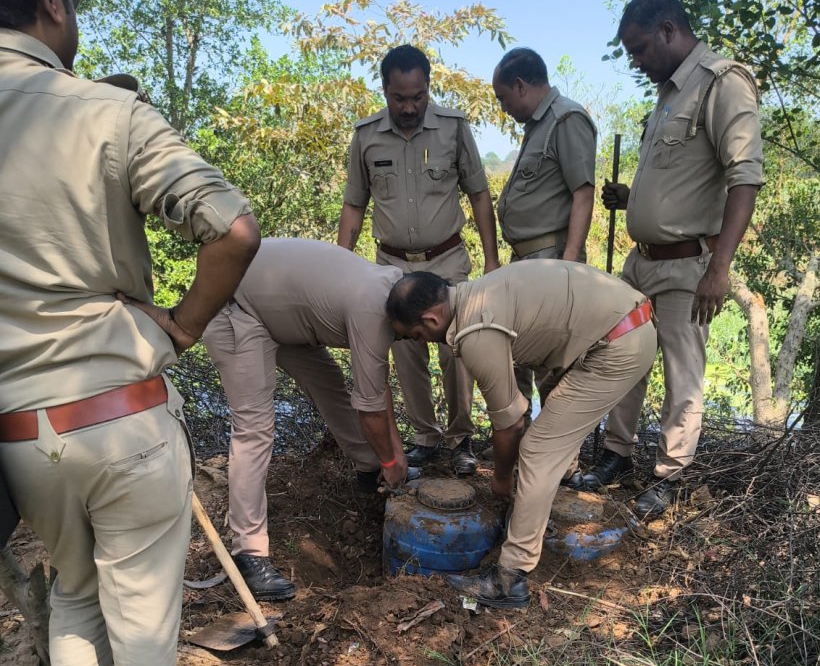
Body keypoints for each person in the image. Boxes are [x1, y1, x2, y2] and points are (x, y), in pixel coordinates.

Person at [0, 0, 260, 666]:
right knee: (142, 608)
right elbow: (233, 230)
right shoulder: (104, 110)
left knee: (73, 592)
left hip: (21, 434)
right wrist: (179, 332)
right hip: (119, 408)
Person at [576, 0, 763, 518]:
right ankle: (616, 454)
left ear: (667, 30)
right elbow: (682, 183)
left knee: (683, 373)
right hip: (643, 262)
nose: (635, 61)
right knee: (624, 358)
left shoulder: (722, 84)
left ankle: (670, 476)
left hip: (688, 265)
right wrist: (631, 201)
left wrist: (719, 268)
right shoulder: (666, 96)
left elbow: (744, 178)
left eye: (639, 49)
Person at [387, 262, 657, 608]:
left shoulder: (475, 333)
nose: (420, 343)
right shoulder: (474, 294)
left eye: (416, 337)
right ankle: (550, 496)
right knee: (552, 407)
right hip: (620, 323)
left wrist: (501, 478)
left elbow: (512, 421)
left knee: (539, 449)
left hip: (618, 343)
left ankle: (510, 578)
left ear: (430, 320)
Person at [202, 238, 417, 600]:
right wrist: (393, 460)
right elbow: (371, 407)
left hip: (279, 315)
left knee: (330, 384)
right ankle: (249, 552)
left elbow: (377, 389)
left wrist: (392, 458)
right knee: (254, 430)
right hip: (232, 308)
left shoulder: (395, 289)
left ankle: (369, 472)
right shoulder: (373, 313)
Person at [338, 44, 500, 477]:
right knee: (407, 353)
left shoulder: (453, 128)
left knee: (457, 348)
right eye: (399, 98)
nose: (409, 107)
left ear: (429, 88)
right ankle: (425, 438)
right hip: (392, 265)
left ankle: (461, 438)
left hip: (446, 259)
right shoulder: (366, 136)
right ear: (385, 90)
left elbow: (479, 194)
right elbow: (354, 204)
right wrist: (341, 265)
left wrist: (492, 259)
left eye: (418, 97)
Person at [492, 46, 597, 428]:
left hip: (550, 259)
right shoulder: (538, 125)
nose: (502, 107)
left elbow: (583, 193)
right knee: (515, 351)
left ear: (520, 86)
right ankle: (518, 439)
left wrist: (568, 264)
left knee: (552, 362)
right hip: (525, 262)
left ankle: (559, 458)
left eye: (503, 97)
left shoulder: (566, 119)